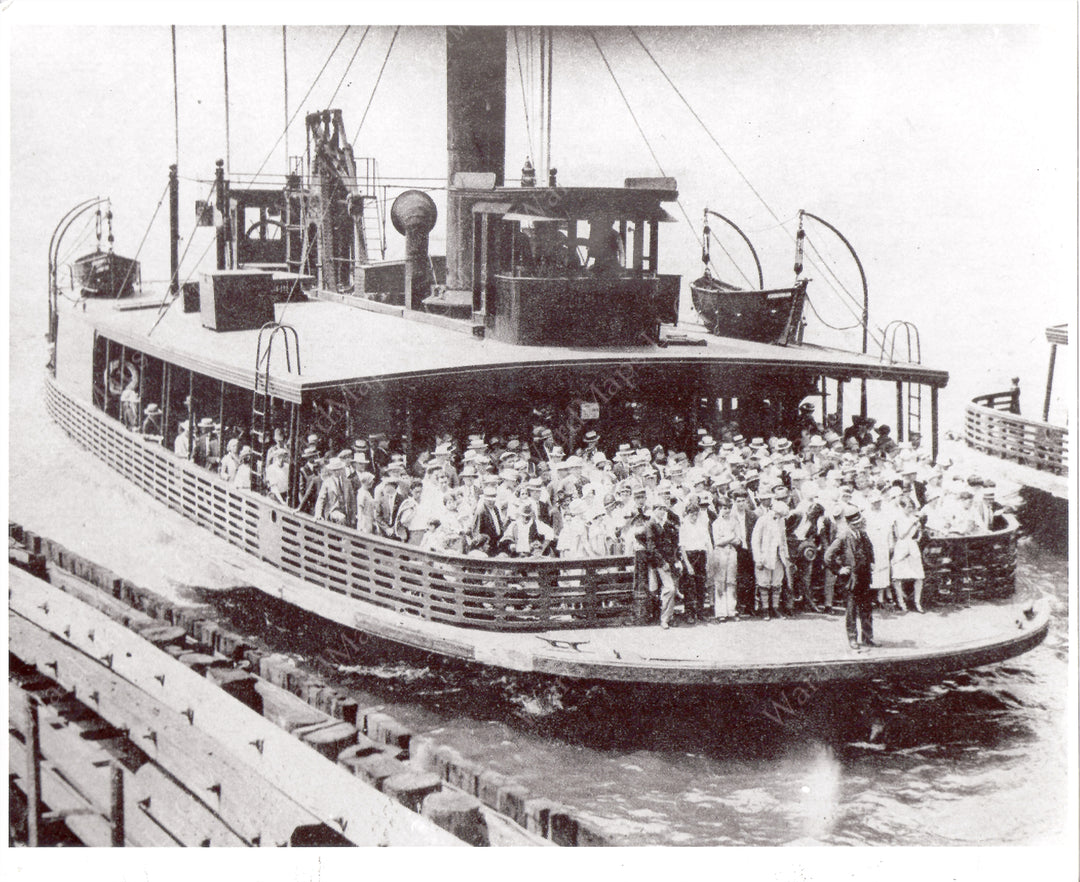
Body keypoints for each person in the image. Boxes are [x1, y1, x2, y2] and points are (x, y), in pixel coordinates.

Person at [825, 506, 876, 649]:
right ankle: (852, 638)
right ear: (850, 524)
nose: (859, 525)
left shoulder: (863, 535)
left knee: (866, 609)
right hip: (851, 581)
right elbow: (828, 556)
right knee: (851, 610)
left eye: (859, 522)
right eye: (855, 524)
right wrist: (839, 569)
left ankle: (868, 638)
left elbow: (869, 549)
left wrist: (871, 562)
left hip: (864, 577)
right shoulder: (842, 537)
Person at [641, 504, 683, 629]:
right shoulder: (651, 524)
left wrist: (676, 560)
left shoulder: (667, 524)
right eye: (659, 509)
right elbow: (651, 547)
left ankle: (669, 617)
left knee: (673, 588)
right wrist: (662, 563)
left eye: (664, 509)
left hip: (671, 560)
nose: (662, 511)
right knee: (669, 588)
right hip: (659, 562)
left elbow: (674, 544)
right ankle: (664, 619)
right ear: (654, 510)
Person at [750, 499, 792, 619]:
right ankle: (765, 609)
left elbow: (783, 540)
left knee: (776, 583)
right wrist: (757, 558)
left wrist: (786, 556)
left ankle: (775, 607)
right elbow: (755, 540)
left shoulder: (781, 521)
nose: (778, 517)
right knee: (764, 582)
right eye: (777, 514)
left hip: (778, 556)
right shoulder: (762, 520)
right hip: (765, 555)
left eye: (781, 516)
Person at [891, 496, 925, 612]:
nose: (910, 509)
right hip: (901, 546)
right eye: (908, 507)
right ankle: (901, 602)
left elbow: (919, 532)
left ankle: (917, 602)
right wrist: (912, 524)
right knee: (898, 577)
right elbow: (901, 535)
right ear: (902, 507)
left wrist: (918, 536)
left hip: (912, 546)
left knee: (919, 576)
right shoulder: (898, 518)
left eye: (911, 507)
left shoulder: (914, 517)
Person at [710, 496, 739, 619]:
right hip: (720, 553)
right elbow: (717, 541)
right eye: (723, 508)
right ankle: (721, 612)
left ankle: (731, 610)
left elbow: (738, 540)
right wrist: (731, 537)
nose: (726, 511)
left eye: (728, 508)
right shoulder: (716, 523)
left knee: (731, 581)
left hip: (731, 551)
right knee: (720, 582)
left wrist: (730, 539)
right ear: (718, 509)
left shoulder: (734, 522)